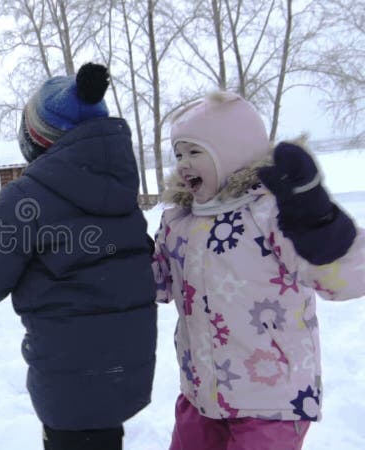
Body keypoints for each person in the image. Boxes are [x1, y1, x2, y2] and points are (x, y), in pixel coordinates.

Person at [0, 63, 157, 450]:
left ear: (36, 137)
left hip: (67, 373)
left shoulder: (27, 196)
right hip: (125, 367)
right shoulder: (121, 189)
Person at [152, 91, 365, 450]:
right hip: (201, 395)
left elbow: (345, 277)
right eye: (178, 154)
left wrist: (320, 227)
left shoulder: (271, 213)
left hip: (273, 400)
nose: (183, 164)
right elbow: (158, 284)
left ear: (232, 151)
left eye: (195, 152)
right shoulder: (179, 222)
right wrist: (122, 251)